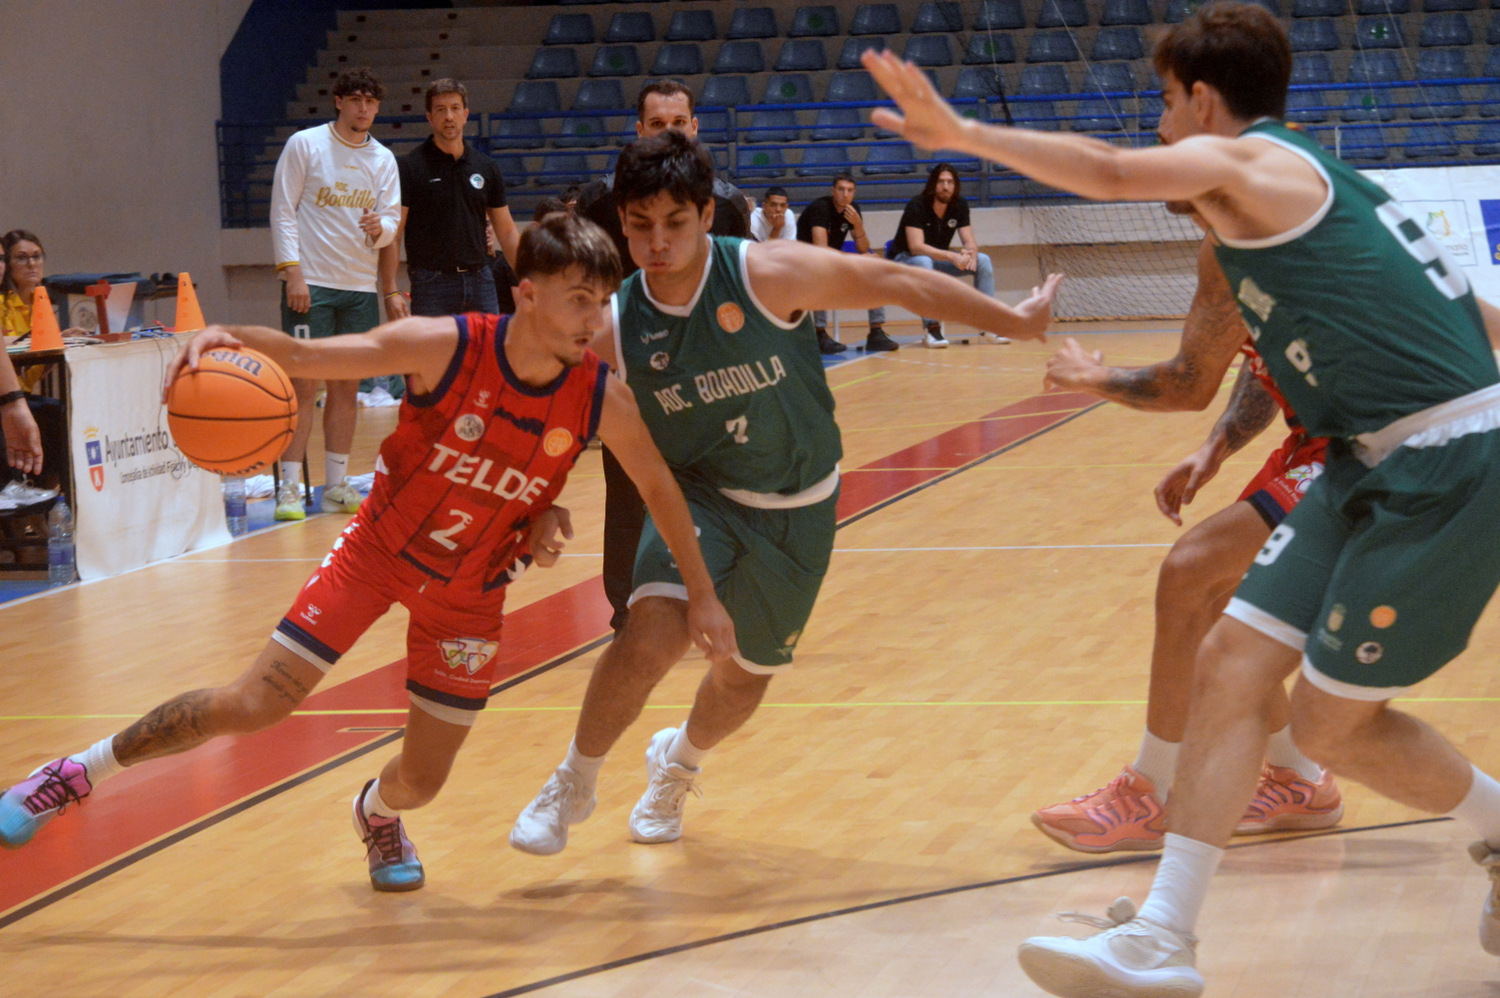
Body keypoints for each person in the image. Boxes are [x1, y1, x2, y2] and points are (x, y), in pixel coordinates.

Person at [867, 8, 1500, 995]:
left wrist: (963, 134)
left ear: (1204, 100)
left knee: (1330, 728)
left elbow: (1111, 172)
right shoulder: (1290, 205)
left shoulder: (1257, 167)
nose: (1157, 126)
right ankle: (1164, 933)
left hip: (1439, 457)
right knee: (1231, 659)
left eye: (1164, 103)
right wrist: (1113, 388)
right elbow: (1208, 372)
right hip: (1358, 457)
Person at [0, 212, 736, 895]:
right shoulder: (443, 346)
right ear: (528, 294)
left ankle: (378, 815)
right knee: (255, 705)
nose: (594, 319)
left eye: (603, 301)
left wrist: (698, 592)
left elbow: (662, 493)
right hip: (376, 553)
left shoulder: (599, 397)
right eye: (579, 299)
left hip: (470, 594)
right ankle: (71, 775)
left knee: (423, 780)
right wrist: (224, 331)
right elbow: (305, 355)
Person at [508, 130, 1061, 857]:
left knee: (743, 680)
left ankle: (678, 763)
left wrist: (1013, 320)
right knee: (652, 633)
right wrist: (530, 502)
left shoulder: (769, 274)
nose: (656, 243)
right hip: (700, 496)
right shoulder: (618, 326)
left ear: (707, 214)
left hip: (797, 503)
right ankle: (573, 780)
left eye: (674, 222)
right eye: (639, 226)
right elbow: (540, 395)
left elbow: (894, 282)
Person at [1032, 240, 1341, 853]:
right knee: (1218, 601)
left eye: (1168, 137)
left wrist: (1091, 375)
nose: (1160, 141)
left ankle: (1148, 790)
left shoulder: (1253, 239)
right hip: (1320, 440)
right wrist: (1217, 445)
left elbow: (1186, 383)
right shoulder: (1238, 243)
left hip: (1371, 446)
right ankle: (1300, 779)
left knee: (1189, 572)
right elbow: (1261, 364)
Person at [577, 79, 752, 635]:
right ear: (639, 131)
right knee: (628, 493)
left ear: (695, 128)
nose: (670, 134)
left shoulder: (726, 203)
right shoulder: (598, 202)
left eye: (679, 124)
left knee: (718, 489)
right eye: (658, 125)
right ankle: (626, 610)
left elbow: (738, 291)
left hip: (708, 375)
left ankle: (722, 597)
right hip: (627, 376)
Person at [269, 68, 400, 522]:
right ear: (339, 102)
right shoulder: (305, 144)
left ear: (377, 107)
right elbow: (283, 211)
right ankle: (288, 488)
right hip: (313, 285)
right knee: (303, 386)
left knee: (347, 389)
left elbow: (390, 225)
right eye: (356, 99)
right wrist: (293, 274)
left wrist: (378, 229)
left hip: (359, 288)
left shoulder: (383, 159)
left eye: (371, 101)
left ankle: (337, 484)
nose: (364, 108)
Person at [380, 78, 521, 323]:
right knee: (435, 360)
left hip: (481, 280)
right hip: (431, 284)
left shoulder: (486, 167)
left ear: (465, 115)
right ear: (429, 118)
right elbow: (394, 233)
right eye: (440, 109)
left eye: (455, 108)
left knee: (486, 357)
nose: (448, 116)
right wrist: (390, 289)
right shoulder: (410, 167)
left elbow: (507, 232)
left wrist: (528, 277)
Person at [889, 163, 1009, 347]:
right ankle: (932, 328)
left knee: (983, 261)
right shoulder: (917, 205)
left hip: (936, 259)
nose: (946, 187)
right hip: (904, 260)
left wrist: (969, 253)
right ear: (933, 185)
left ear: (955, 185)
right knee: (923, 261)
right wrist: (952, 256)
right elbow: (916, 248)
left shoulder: (959, 205)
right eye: (941, 182)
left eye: (950, 182)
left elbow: (969, 241)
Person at [0, 231, 77, 491]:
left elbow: (34, 372)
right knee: (51, 415)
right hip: (9, 397)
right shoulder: (2, 302)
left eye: (36, 257)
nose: (32, 264)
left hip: (23, 395)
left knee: (62, 414)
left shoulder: (41, 303)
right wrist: (38, 341)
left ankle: (57, 499)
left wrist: (59, 341)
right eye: (22, 258)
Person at [795, 173, 899, 354]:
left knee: (873, 269)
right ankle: (819, 334)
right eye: (841, 189)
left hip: (833, 261)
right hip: (804, 262)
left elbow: (864, 249)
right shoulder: (821, 208)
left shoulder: (852, 210)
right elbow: (820, 250)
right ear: (832, 191)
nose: (845, 194)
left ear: (854, 193)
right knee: (821, 269)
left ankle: (876, 332)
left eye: (850, 191)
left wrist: (858, 226)